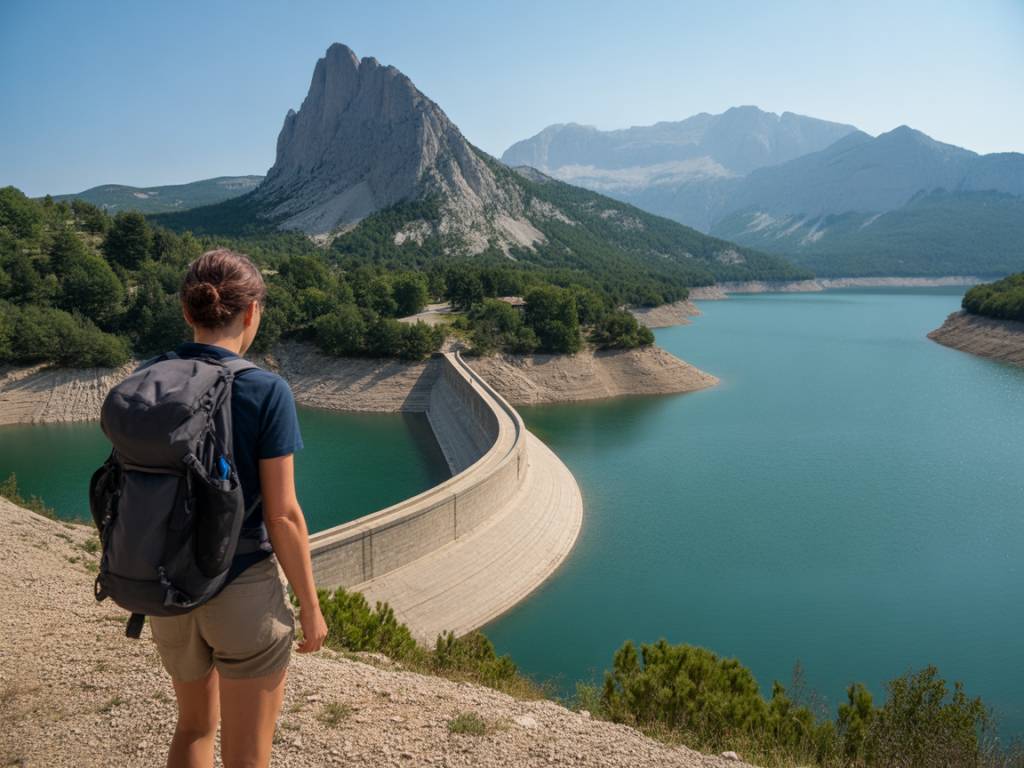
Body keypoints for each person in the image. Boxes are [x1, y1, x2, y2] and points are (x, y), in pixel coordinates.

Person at [148, 248, 328, 768]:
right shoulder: (265, 390)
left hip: (167, 588)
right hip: (241, 586)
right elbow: (283, 516)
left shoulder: (150, 378)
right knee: (248, 755)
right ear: (251, 313)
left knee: (193, 728)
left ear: (188, 312)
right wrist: (310, 608)